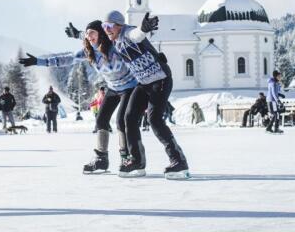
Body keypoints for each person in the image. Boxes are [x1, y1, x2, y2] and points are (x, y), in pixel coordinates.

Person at [20, 20, 137, 173]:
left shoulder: (114, 45)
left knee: (121, 121)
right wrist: (38, 61)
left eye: (92, 33)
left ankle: (126, 157)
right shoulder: (88, 51)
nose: (89, 37)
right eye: (87, 35)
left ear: (101, 33)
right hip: (113, 88)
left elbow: (131, 40)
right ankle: (101, 159)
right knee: (101, 120)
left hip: (129, 86)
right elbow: (66, 59)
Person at [102, 10, 189, 179]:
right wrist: (78, 34)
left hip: (160, 79)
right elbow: (93, 35)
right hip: (144, 83)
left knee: (154, 119)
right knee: (130, 117)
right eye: (105, 27)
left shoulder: (127, 33)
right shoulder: (113, 38)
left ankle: (178, 161)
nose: (107, 30)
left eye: (110, 26)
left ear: (119, 25)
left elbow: (136, 35)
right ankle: (137, 161)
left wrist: (143, 28)